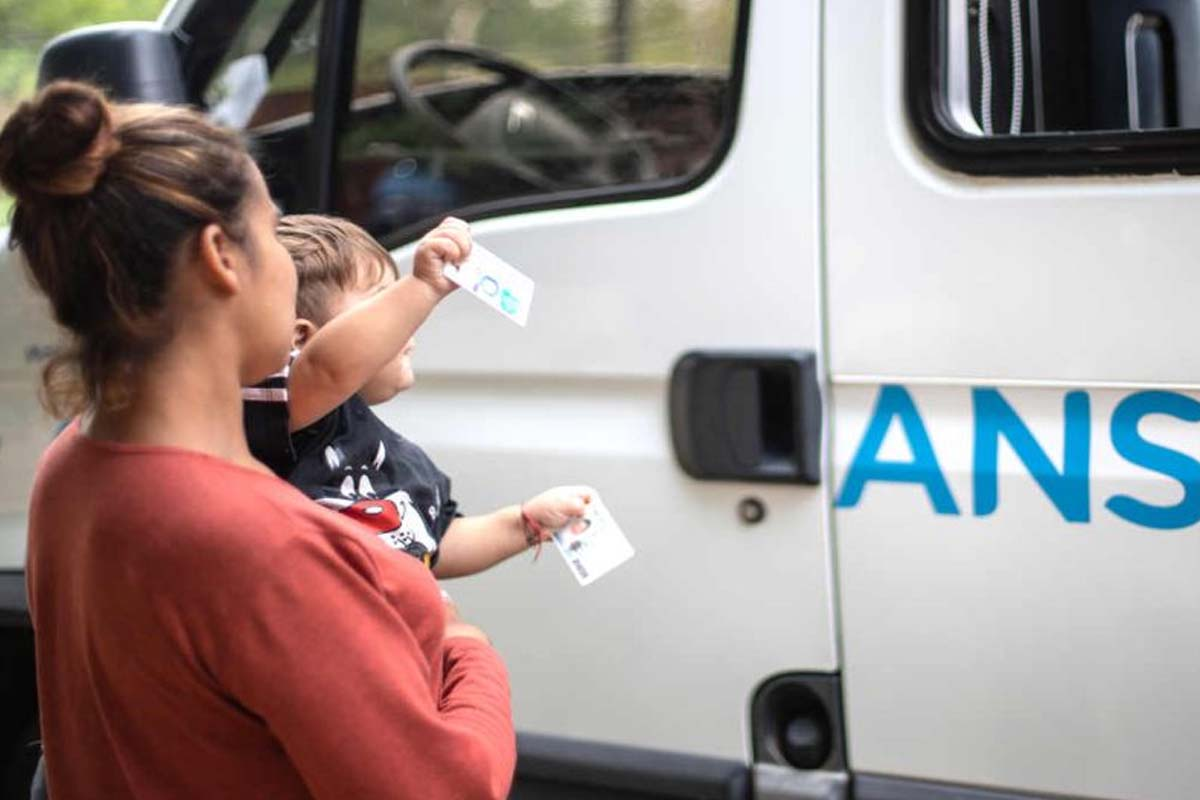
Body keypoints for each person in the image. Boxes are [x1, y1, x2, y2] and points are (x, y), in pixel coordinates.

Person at [2, 80, 515, 799]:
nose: (285, 259)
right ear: (221, 257)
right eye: (274, 233)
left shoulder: (73, 464)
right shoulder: (264, 549)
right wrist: (467, 651)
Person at [244, 213, 592, 575]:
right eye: (383, 300)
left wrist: (524, 523)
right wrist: (422, 286)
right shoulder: (288, 420)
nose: (406, 317)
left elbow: (436, 542)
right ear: (301, 340)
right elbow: (328, 368)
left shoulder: (393, 453)